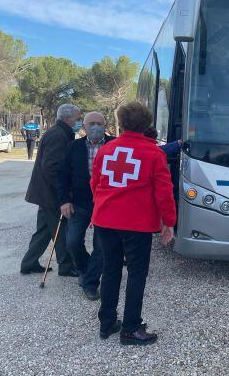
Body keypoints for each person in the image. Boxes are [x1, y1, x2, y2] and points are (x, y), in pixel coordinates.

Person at [91, 101, 176, 345]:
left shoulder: (106, 151)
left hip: (105, 220)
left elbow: (95, 184)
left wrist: (100, 207)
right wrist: (169, 222)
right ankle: (130, 328)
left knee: (110, 270)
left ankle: (106, 323)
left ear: (120, 123)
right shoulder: (154, 154)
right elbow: (164, 192)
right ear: (147, 124)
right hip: (136, 224)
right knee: (137, 274)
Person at [20, 104, 82, 276]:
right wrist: (63, 193)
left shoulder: (59, 132)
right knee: (60, 230)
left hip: (44, 192)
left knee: (44, 230)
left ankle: (28, 263)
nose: (79, 122)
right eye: (77, 119)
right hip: (50, 194)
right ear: (68, 118)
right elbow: (51, 167)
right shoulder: (59, 135)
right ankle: (66, 265)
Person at [58, 112, 114, 300]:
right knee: (72, 242)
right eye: (92, 123)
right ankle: (87, 269)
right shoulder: (73, 147)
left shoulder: (115, 146)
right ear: (84, 126)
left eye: (99, 123)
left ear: (105, 125)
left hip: (106, 205)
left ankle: (90, 283)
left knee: (101, 246)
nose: (96, 127)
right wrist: (64, 200)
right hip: (80, 204)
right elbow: (62, 176)